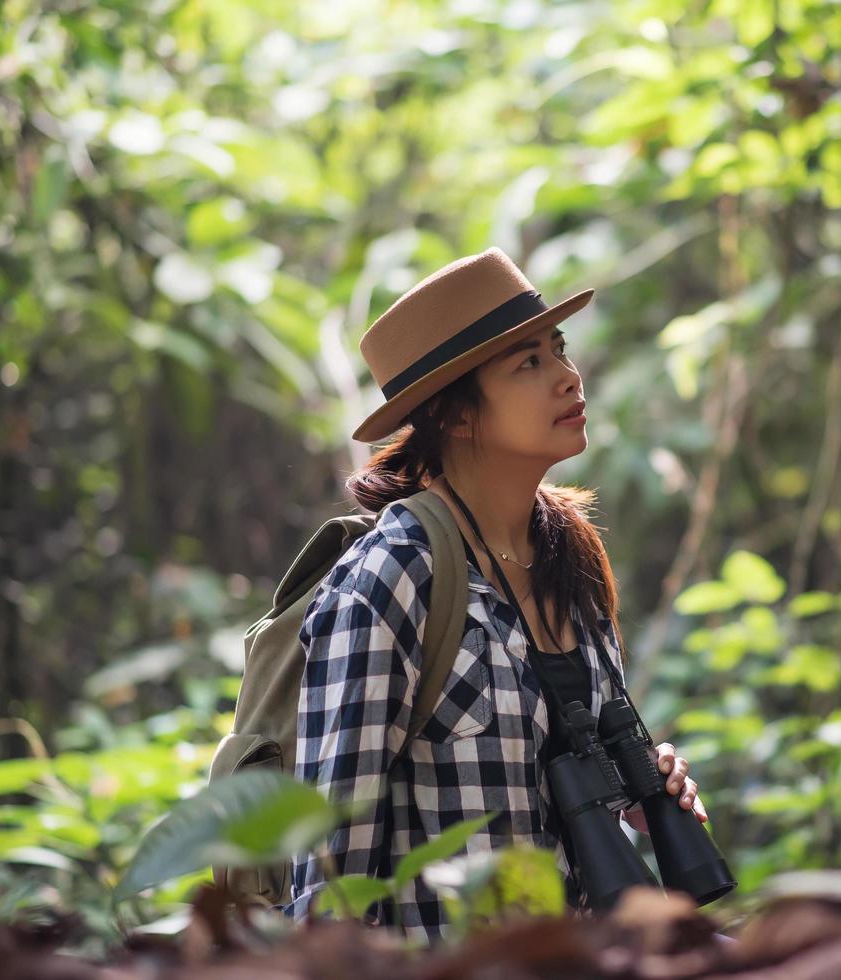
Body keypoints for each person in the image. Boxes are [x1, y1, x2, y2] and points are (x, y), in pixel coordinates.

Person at [284, 247, 707, 944]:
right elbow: (331, 871)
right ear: (454, 416)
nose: (569, 379)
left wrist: (640, 791)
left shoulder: (568, 561)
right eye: (528, 364)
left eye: (558, 349)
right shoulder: (391, 580)